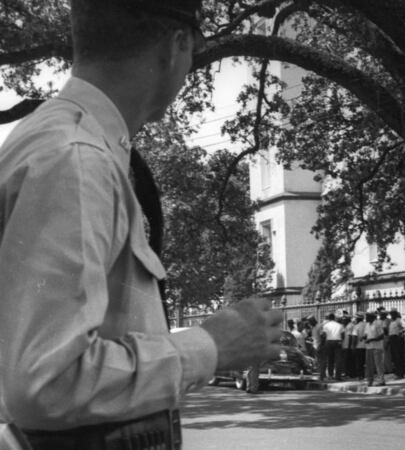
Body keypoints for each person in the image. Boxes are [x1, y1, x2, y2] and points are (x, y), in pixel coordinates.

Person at [0, 1, 286, 447]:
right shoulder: (74, 159)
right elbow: (46, 382)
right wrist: (210, 347)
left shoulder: (59, 142)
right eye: (193, 52)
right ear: (175, 48)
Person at [363, 311, 386, 387]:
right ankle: (370, 380)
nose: (366, 318)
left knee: (378, 365)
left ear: (372, 317)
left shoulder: (377, 324)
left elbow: (382, 336)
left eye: (367, 316)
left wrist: (371, 339)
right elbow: (366, 334)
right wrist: (364, 337)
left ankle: (381, 380)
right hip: (369, 347)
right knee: (369, 365)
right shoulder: (367, 325)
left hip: (377, 347)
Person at [320, 313, 345, 381]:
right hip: (338, 342)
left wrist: (322, 344)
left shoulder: (326, 325)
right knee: (338, 360)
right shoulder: (340, 325)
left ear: (329, 318)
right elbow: (343, 335)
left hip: (329, 342)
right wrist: (341, 341)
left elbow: (323, 335)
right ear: (334, 318)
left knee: (330, 359)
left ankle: (330, 375)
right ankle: (338, 376)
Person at [388, 308, 405, 379]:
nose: (392, 315)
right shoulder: (391, 322)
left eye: (393, 313)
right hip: (392, 339)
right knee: (394, 357)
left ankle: (401, 373)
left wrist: (401, 332)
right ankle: (397, 372)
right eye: (391, 314)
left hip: (397, 339)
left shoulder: (399, 320)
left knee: (399, 356)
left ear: (396, 314)